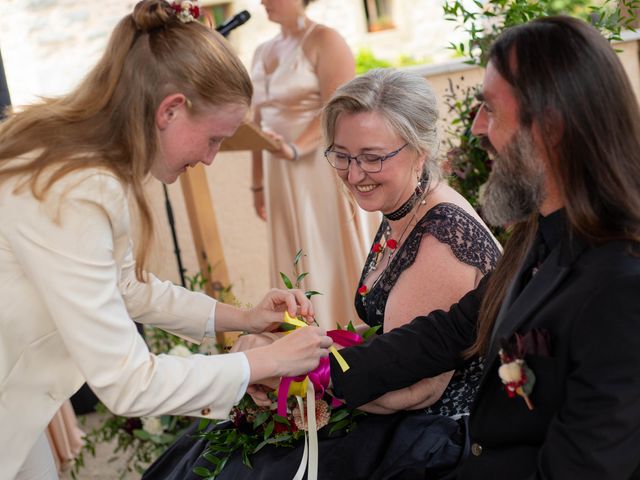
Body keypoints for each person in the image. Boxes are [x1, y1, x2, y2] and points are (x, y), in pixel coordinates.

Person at [0, 2, 334, 479]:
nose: (213, 158)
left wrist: (244, 318)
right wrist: (260, 363)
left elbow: (126, 288)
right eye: (215, 139)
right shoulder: (76, 188)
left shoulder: (92, 165)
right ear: (171, 110)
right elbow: (129, 384)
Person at [143, 68, 501, 479]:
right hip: (384, 407)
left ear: (419, 150)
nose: (353, 174)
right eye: (342, 155)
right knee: (204, 443)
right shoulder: (404, 206)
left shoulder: (442, 238)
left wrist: (291, 374)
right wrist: (282, 343)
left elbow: (414, 389)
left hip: (425, 435)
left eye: (372, 157)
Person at [330, 16, 640, 479]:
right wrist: (315, 373)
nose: (476, 128)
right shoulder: (542, 232)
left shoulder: (621, 287)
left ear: (549, 127)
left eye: (490, 110)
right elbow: (450, 331)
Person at [250, 0, 378, 329]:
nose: (263, 1)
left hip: (317, 167)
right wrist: (258, 183)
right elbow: (256, 122)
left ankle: (347, 332)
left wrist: (294, 148)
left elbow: (336, 108)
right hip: (278, 172)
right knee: (294, 252)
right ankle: (304, 337)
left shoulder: (326, 40)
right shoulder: (261, 51)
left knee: (326, 245)